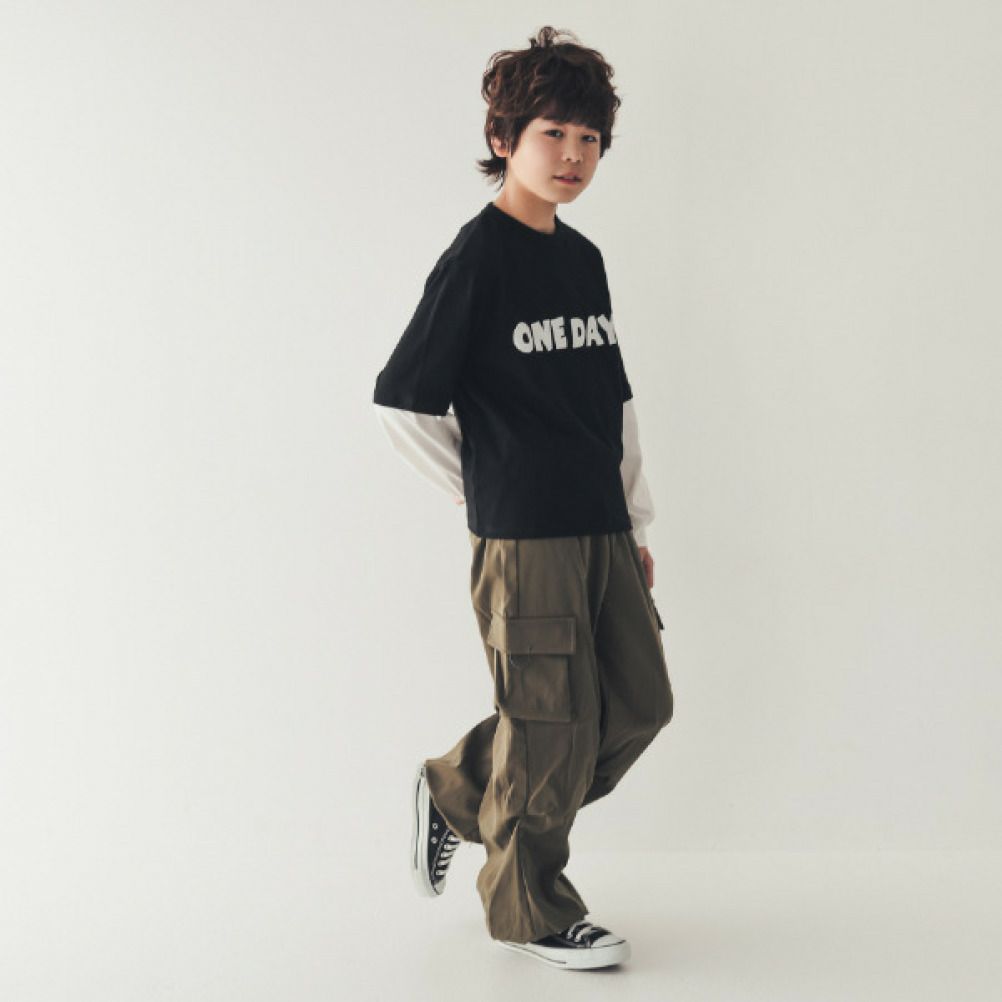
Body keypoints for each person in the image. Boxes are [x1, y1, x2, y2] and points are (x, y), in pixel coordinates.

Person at [372, 25, 673, 971]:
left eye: (590, 139)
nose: (573, 155)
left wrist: (632, 521)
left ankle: (459, 791)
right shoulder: (478, 260)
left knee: (636, 706)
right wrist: (492, 491)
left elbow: (611, 403)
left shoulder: (581, 260)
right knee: (548, 727)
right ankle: (531, 909)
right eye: (554, 134)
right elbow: (402, 402)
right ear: (504, 138)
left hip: (599, 526)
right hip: (526, 536)